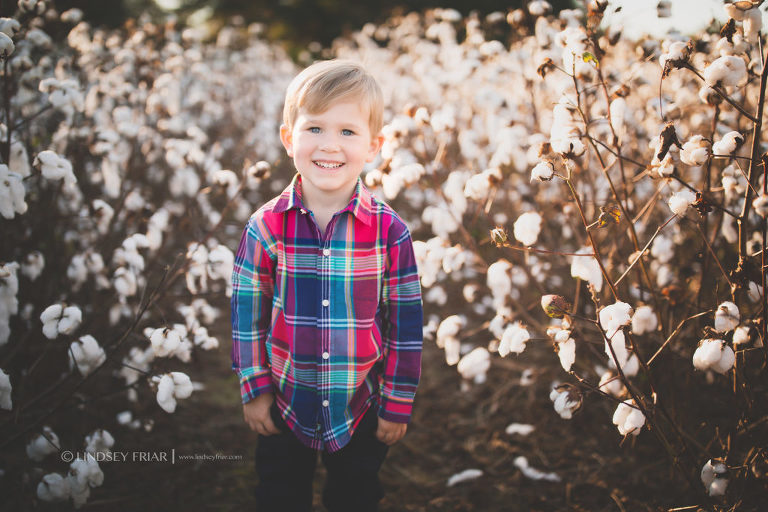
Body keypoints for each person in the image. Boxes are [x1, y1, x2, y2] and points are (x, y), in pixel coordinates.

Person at [230, 59, 424, 512]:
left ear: (374, 146)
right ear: (288, 139)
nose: (329, 146)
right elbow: (246, 314)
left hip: (360, 403)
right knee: (279, 495)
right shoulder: (266, 227)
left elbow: (406, 324)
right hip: (285, 400)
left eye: (348, 133)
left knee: (354, 496)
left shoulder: (390, 232)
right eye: (314, 129)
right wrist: (254, 389)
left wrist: (397, 401)